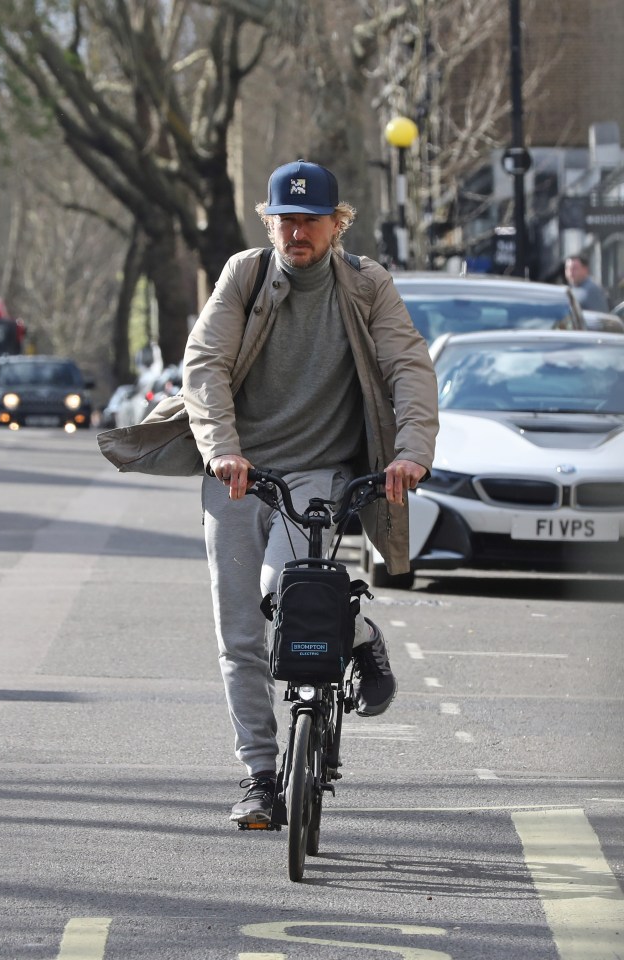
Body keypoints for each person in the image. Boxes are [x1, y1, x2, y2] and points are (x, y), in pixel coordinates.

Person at [182, 159, 439, 825]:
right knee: (239, 630)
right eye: (285, 219)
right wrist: (221, 450)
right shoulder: (245, 276)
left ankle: (356, 633)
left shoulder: (365, 285)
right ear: (272, 223)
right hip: (238, 474)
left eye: (310, 220)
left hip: (317, 471)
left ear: (336, 224)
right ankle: (260, 778)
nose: (297, 231)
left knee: (285, 592)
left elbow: (408, 366)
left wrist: (411, 453)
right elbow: (205, 362)